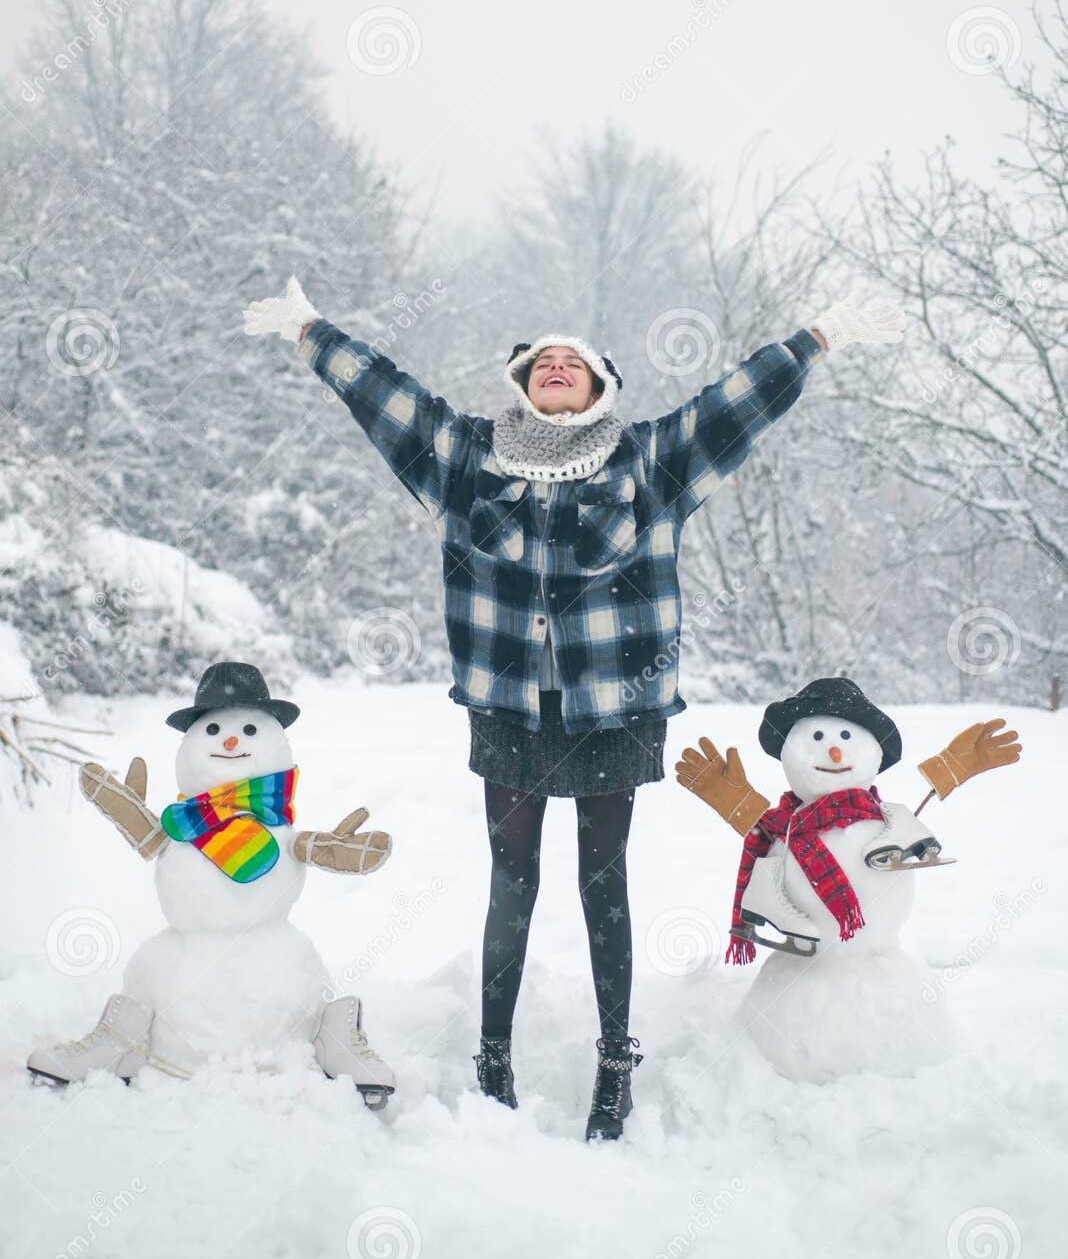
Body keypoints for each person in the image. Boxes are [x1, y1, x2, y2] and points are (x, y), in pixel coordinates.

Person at [244, 278, 904, 1139]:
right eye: (541, 362)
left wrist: (815, 338)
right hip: (509, 710)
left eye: (575, 363)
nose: (557, 367)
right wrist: (311, 332)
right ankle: (493, 1056)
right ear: (521, 384)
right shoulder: (464, 458)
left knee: (605, 886)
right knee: (510, 884)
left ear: (601, 389)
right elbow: (388, 399)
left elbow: (734, 406)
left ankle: (614, 1064)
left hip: (612, 714)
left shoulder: (650, 464)